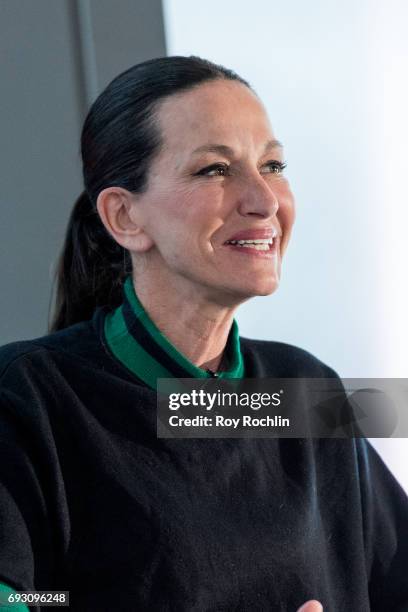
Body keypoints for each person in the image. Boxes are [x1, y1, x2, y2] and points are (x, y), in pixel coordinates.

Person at [0, 56, 407, 612]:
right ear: (124, 217)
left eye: (273, 164)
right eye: (215, 169)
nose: (263, 201)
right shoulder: (27, 397)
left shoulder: (308, 389)